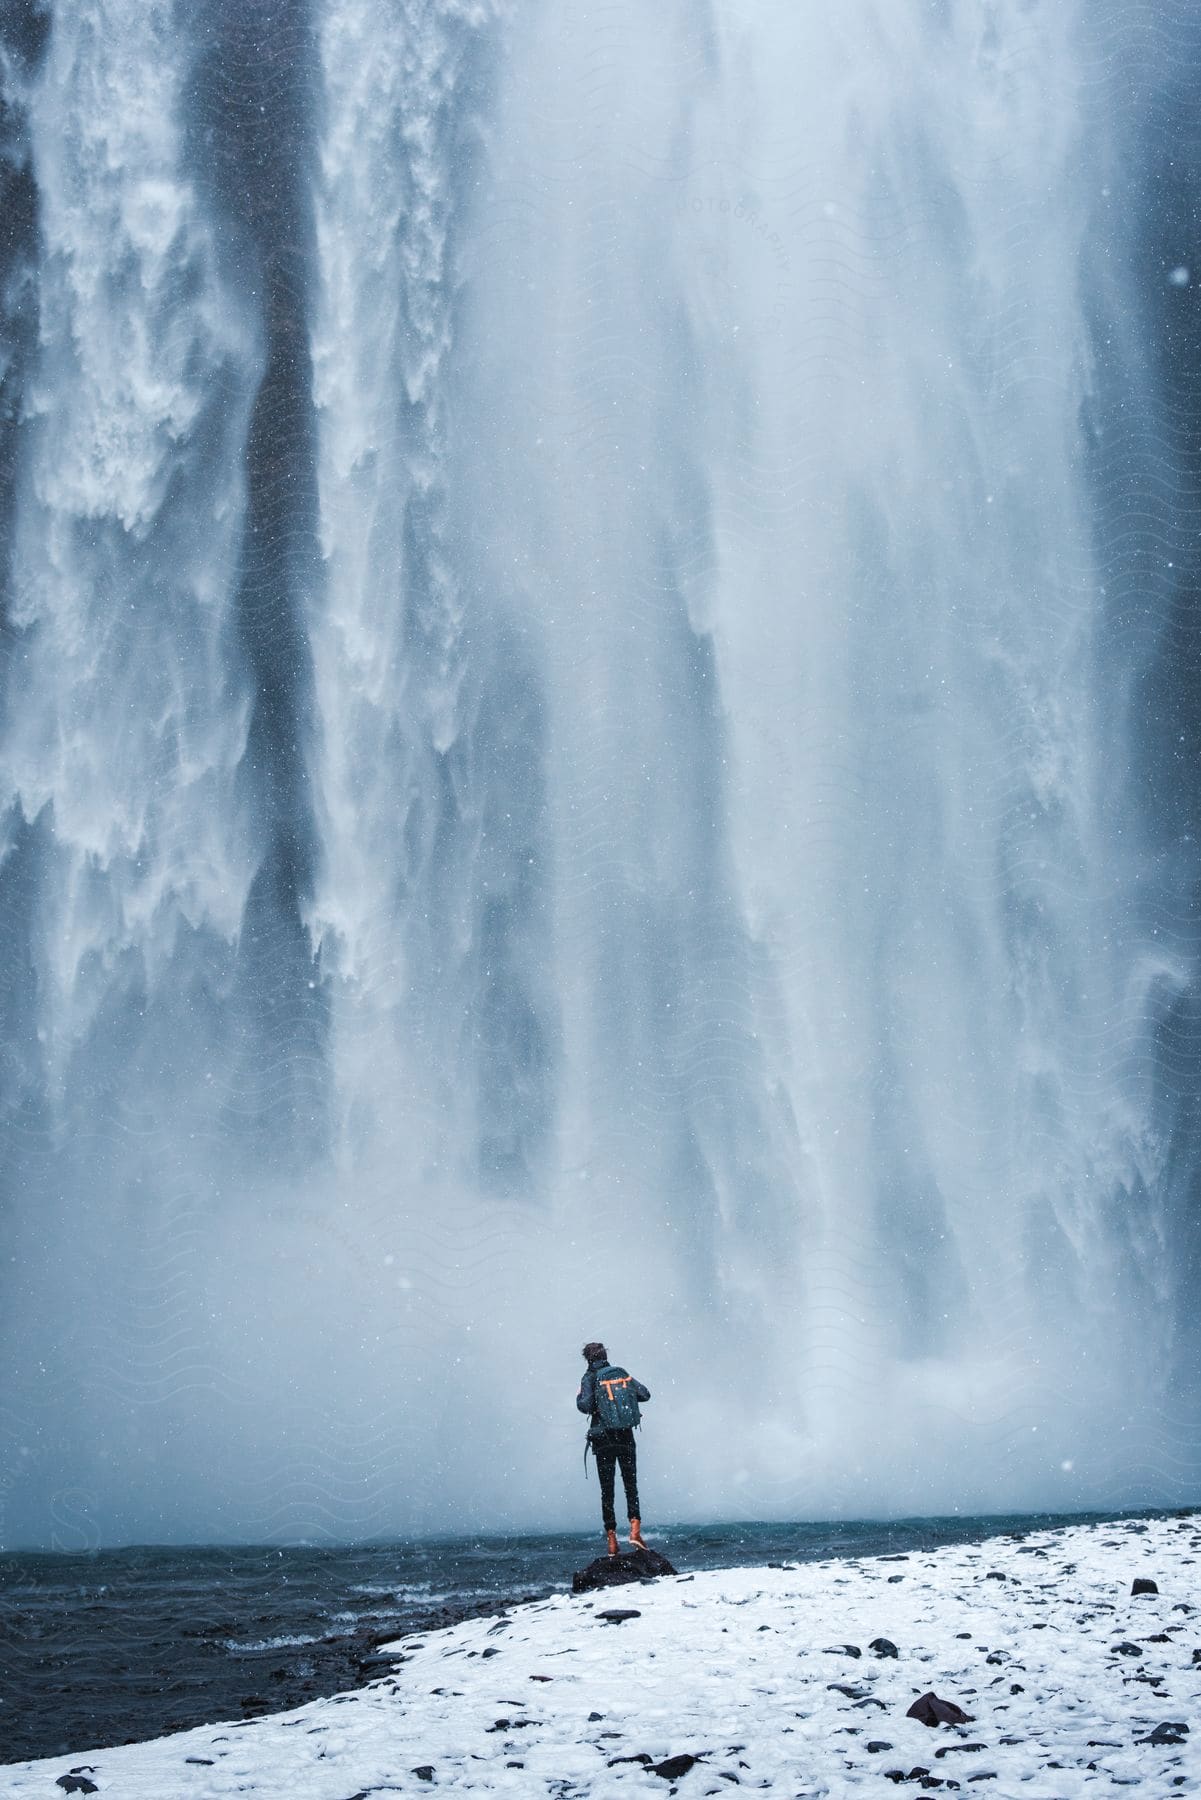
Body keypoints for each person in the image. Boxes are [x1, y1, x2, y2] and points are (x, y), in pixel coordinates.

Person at [577, 1340, 651, 1557]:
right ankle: (635, 1531)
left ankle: (611, 1541)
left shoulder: (589, 1377)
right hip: (625, 1436)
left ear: (587, 1358)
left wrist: (579, 1395)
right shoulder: (620, 1374)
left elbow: (585, 1406)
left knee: (607, 1490)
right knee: (631, 1484)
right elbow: (645, 1394)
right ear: (604, 1355)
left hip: (602, 1439)